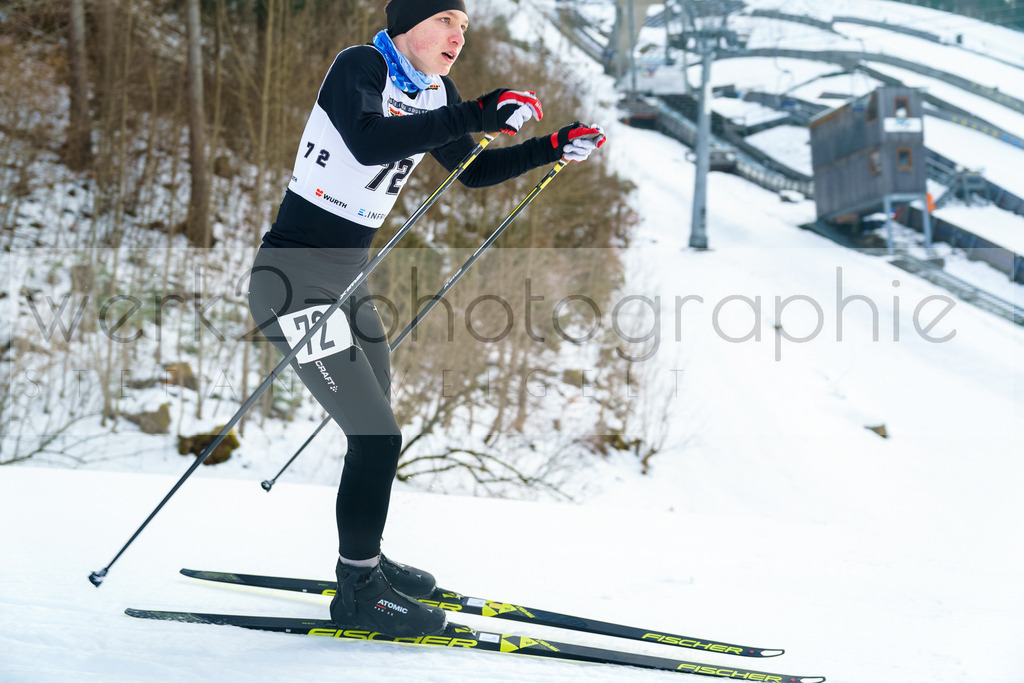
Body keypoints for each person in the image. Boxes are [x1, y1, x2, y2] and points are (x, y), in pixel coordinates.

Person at [247, 0, 605, 637]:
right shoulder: (360, 67)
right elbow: (363, 143)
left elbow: (474, 169)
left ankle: (368, 564)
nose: (457, 36)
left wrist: (551, 146)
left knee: (378, 429)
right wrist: (471, 113)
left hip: (345, 287)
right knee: (376, 436)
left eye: (464, 26)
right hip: (294, 285)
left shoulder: (434, 93)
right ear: (409, 22)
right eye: (446, 20)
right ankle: (358, 589)